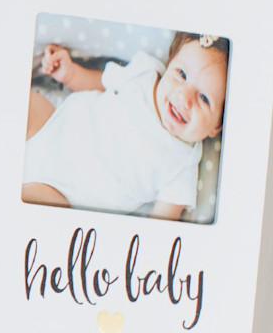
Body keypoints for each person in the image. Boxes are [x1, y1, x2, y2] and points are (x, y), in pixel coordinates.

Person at [23, 33, 228, 221]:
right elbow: (101, 81)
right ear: (169, 64)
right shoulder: (145, 73)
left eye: (204, 98)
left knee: (26, 203)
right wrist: (71, 74)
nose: (185, 98)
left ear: (217, 126)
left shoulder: (183, 163)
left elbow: (162, 221)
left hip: (66, 192)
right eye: (181, 74)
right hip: (54, 123)